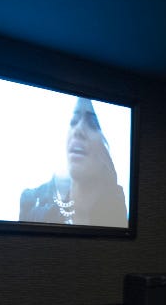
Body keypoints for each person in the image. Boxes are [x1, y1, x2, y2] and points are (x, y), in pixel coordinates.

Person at [19, 97, 127, 227]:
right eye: (73, 121)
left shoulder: (116, 209)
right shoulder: (32, 203)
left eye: (93, 123)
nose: (78, 130)